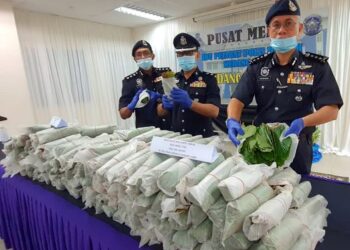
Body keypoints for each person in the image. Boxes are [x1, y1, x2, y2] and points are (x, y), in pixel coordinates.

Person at [226, 0, 343, 174]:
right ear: (268, 31)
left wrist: (302, 122)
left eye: (289, 23)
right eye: (276, 25)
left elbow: (331, 109)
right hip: (262, 145)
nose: (282, 30)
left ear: (300, 29)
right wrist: (232, 120)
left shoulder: (317, 66)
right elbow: (237, 99)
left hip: (298, 145)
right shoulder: (257, 67)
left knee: (297, 194)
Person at [157, 33, 221, 137]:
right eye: (180, 54)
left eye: (189, 53)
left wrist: (190, 103)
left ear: (197, 55)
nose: (184, 57)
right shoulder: (171, 79)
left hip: (201, 139)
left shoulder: (209, 79)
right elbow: (160, 112)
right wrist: (164, 106)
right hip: (177, 138)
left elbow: (214, 111)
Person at [119, 40, 171, 129]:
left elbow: (176, 94)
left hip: (170, 128)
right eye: (139, 54)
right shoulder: (129, 81)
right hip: (146, 131)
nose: (143, 57)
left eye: (146, 53)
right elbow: (123, 115)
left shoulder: (167, 72)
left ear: (153, 55)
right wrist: (131, 105)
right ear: (135, 59)